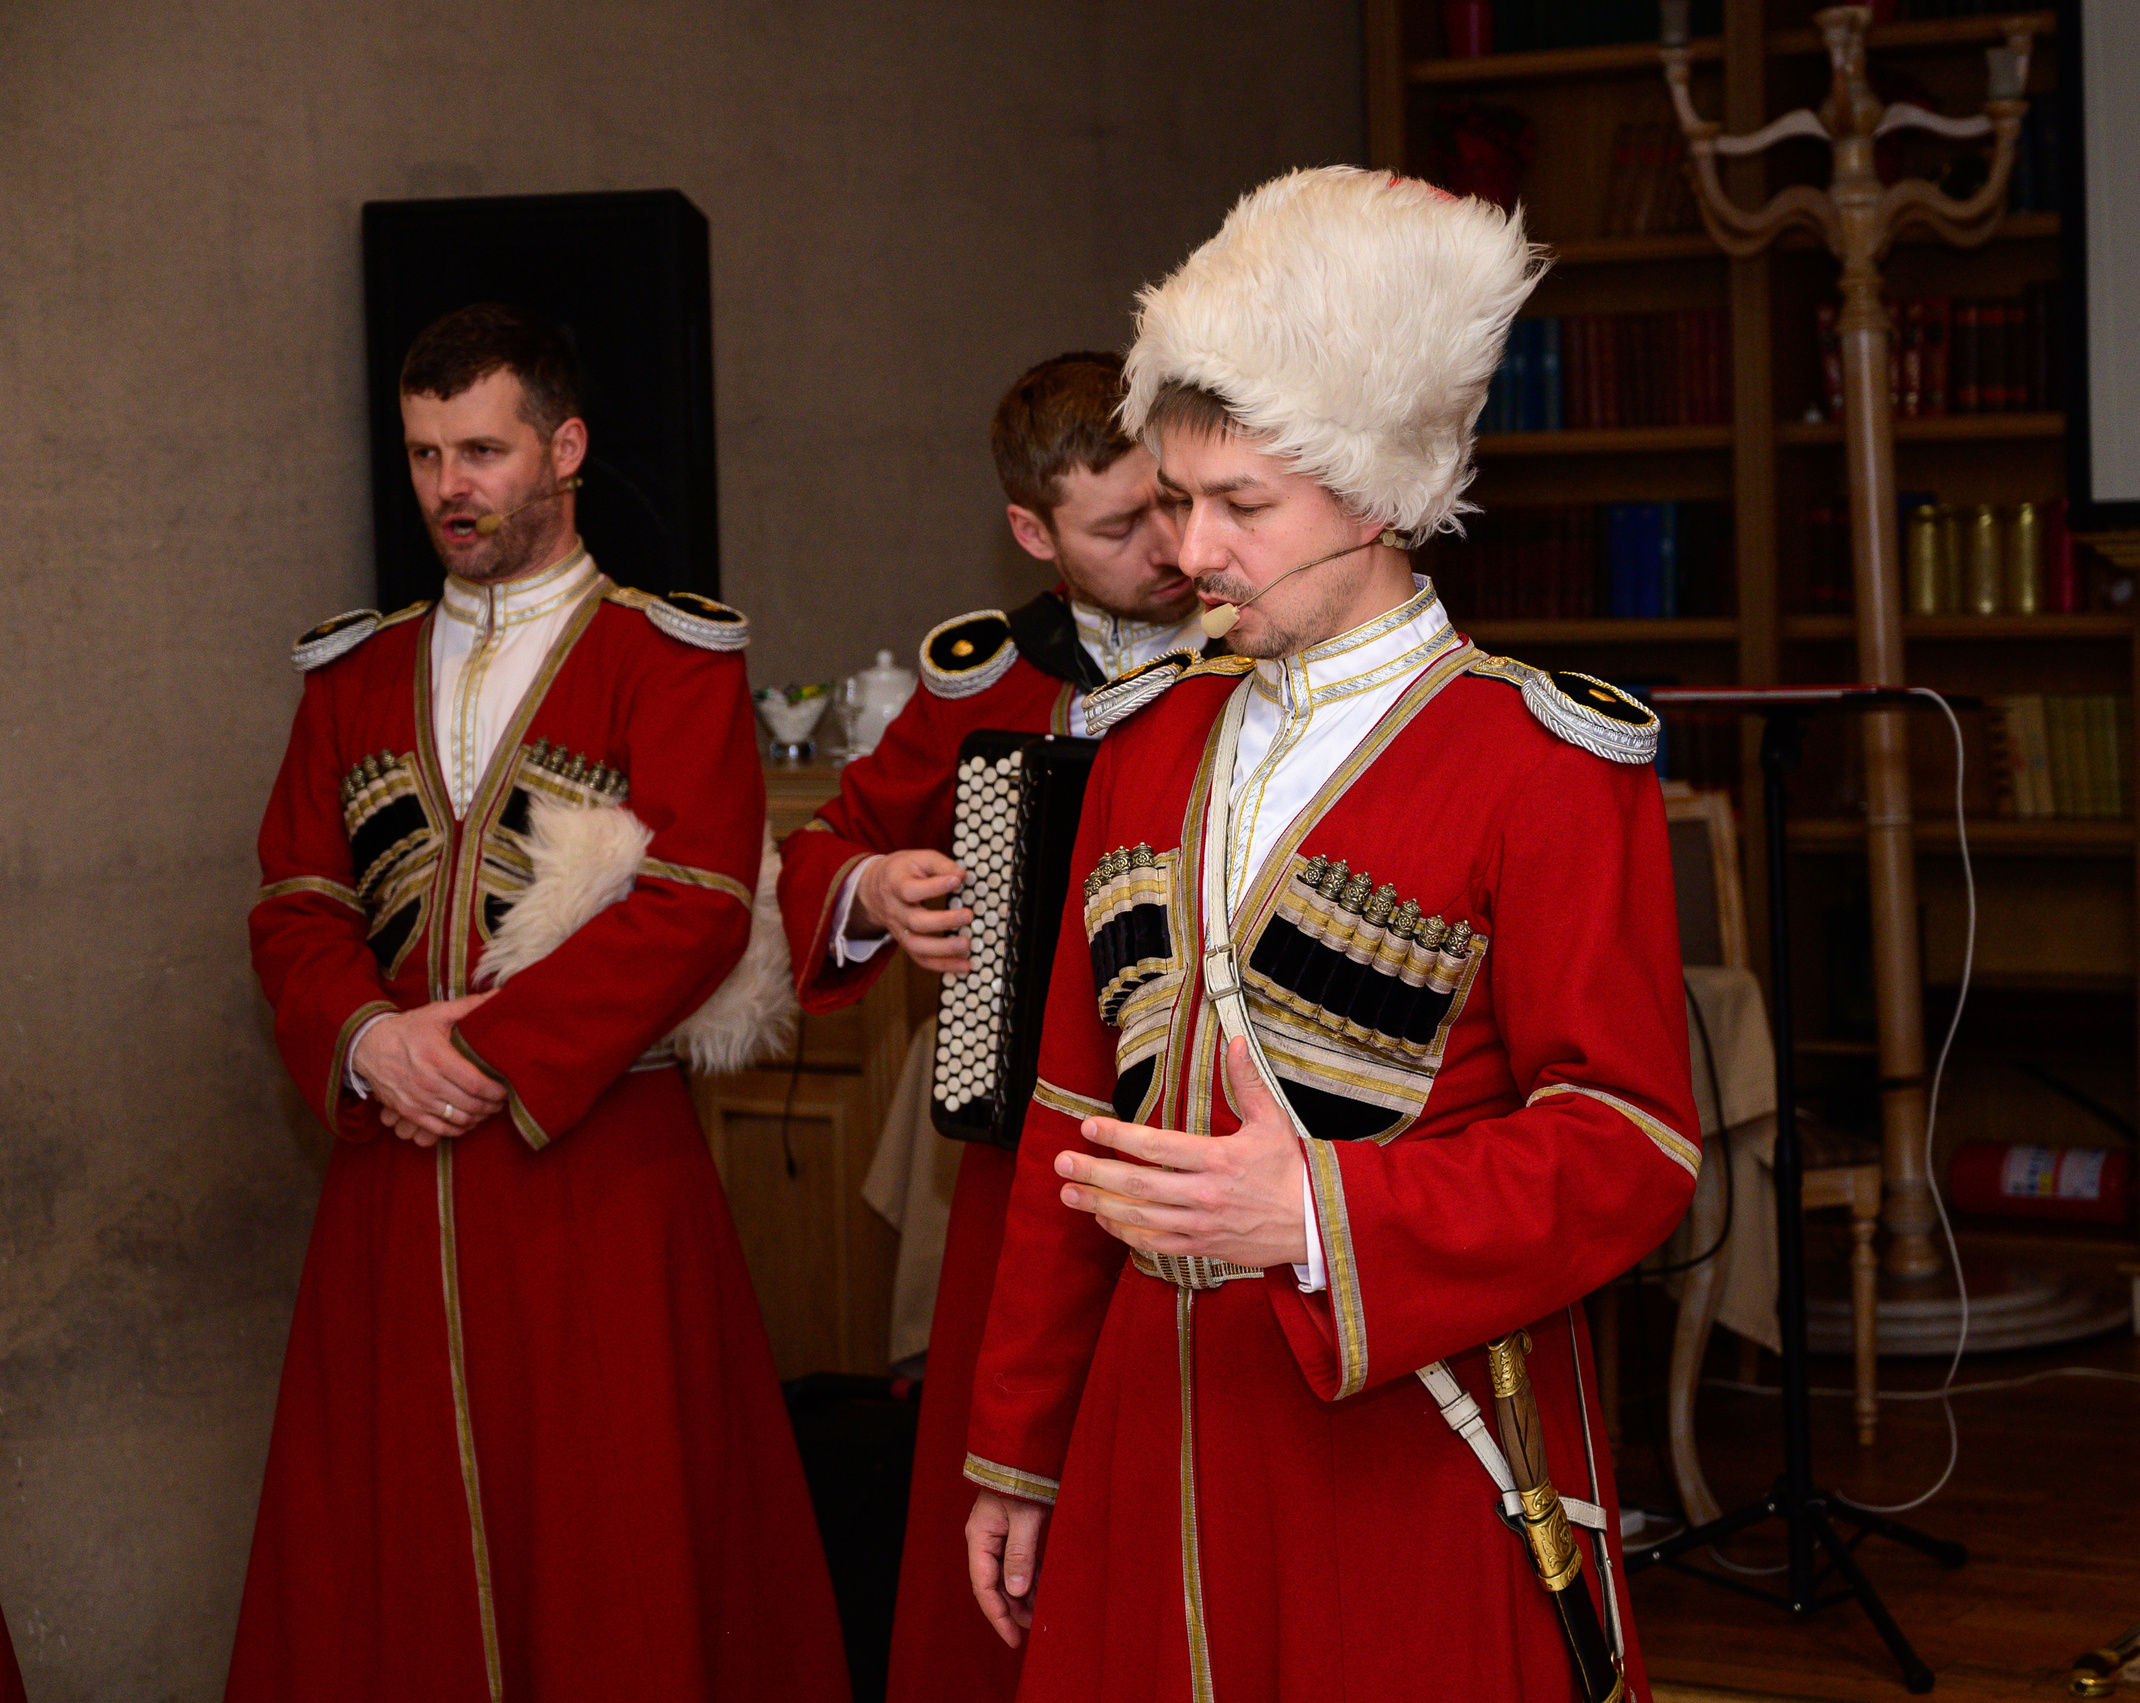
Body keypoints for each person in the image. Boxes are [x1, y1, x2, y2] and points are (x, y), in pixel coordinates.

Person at [959, 168, 1700, 1701]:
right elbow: (1068, 1122)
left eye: (1241, 506)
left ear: (1376, 493)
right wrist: (1017, 1449)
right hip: (1147, 1434)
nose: (1193, 554)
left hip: (1405, 1437)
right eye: (1174, 502)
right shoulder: (1144, 747)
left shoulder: (1541, 759)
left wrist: (1319, 1216)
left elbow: (1629, 1145)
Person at [235, 303, 849, 1702]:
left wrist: (491, 1054)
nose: (452, 485)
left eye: (484, 450)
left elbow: (695, 897)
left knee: (616, 1538)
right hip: (393, 1162)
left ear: (564, 449)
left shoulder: (670, 653)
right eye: (426, 454)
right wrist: (372, 1038)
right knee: (390, 1554)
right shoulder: (352, 672)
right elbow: (295, 898)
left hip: (597, 1163)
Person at [774, 351, 1191, 1703]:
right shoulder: (986, 683)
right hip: (1032, 1161)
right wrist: (875, 889)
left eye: (1171, 503)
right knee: (1017, 1484)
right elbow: (831, 841)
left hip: (1228, 1149)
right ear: (1034, 534)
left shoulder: (1267, 643)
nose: (1170, 547)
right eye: (1119, 528)